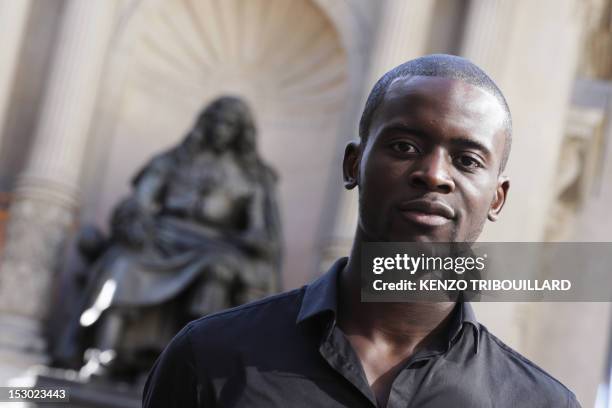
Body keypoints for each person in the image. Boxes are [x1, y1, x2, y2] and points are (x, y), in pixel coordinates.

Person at [142, 55, 580, 407]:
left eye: (466, 160)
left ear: (497, 199)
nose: (433, 174)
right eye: (405, 147)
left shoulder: (540, 402)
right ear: (354, 164)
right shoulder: (210, 356)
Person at [74, 97, 282, 379]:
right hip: (161, 236)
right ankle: (103, 355)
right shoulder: (172, 160)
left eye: (230, 125)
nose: (221, 129)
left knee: (218, 270)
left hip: (214, 246)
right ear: (205, 124)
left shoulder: (253, 179)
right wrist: (137, 222)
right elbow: (141, 201)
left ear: (240, 132)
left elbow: (259, 231)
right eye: (217, 122)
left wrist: (255, 240)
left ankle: (191, 367)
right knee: (124, 262)